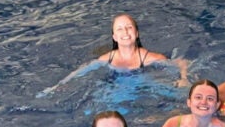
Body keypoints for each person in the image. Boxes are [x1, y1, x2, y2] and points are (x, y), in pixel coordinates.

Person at [39, 14, 190, 96]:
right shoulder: (106, 59)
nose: (125, 32)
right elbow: (80, 71)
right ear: (114, 37)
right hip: (116, 88)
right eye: (119, 29)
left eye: (129, 28)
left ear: (136, 34)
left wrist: (183, 79)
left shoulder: (150, 58)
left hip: (144, 87)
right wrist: (58, 86)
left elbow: (181, 62)